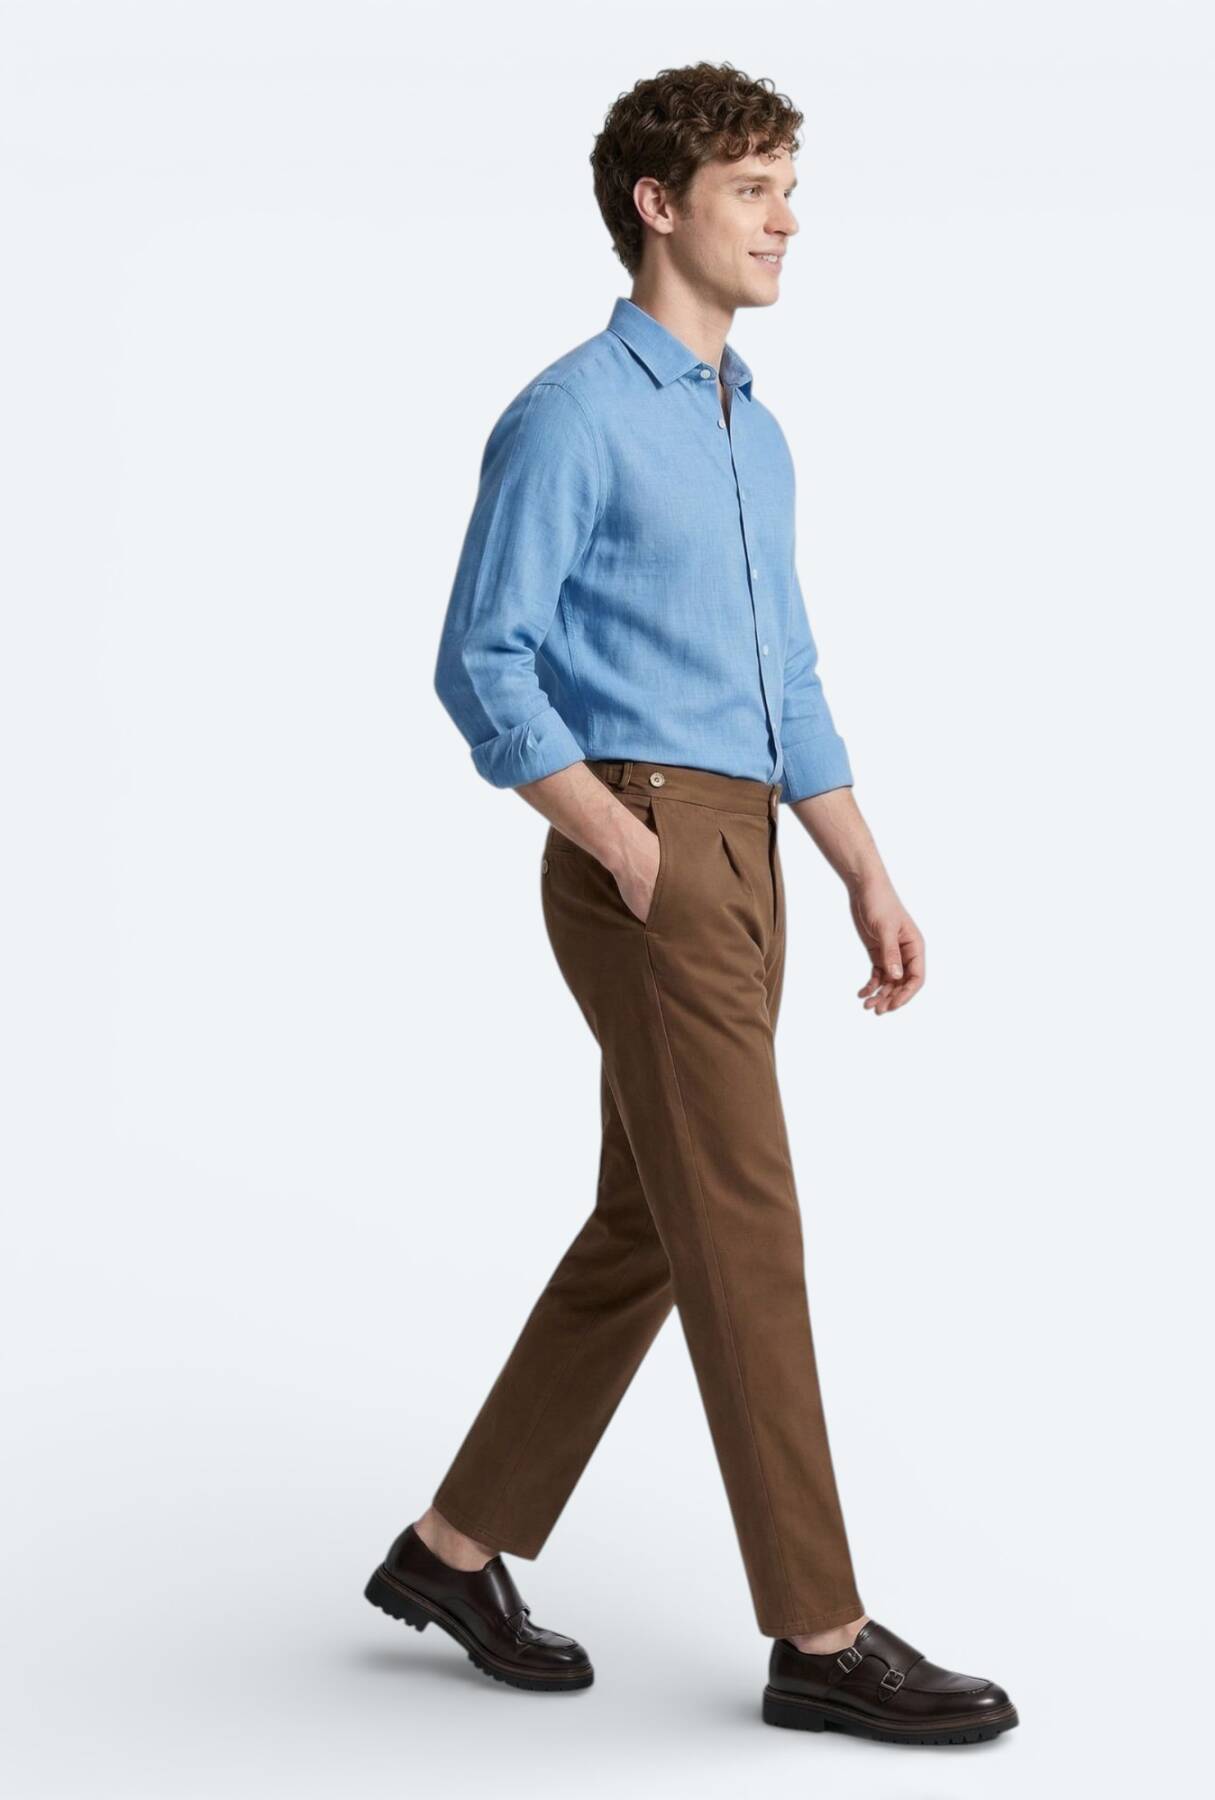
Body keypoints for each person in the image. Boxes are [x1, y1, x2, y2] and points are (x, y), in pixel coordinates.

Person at [364, 60, 1019, 1748]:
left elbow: (784, 675)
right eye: (752, 187)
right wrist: (614, 835)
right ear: (659, 206)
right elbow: (480, 659)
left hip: (747, 851)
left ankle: (449, 1551)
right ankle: (819, 1632)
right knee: (743, 1220)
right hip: (647, 844)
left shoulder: (751, 427)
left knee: (655, 1223)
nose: (787, 219)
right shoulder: (570, 414)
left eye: (789, 185)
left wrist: (863, 867)